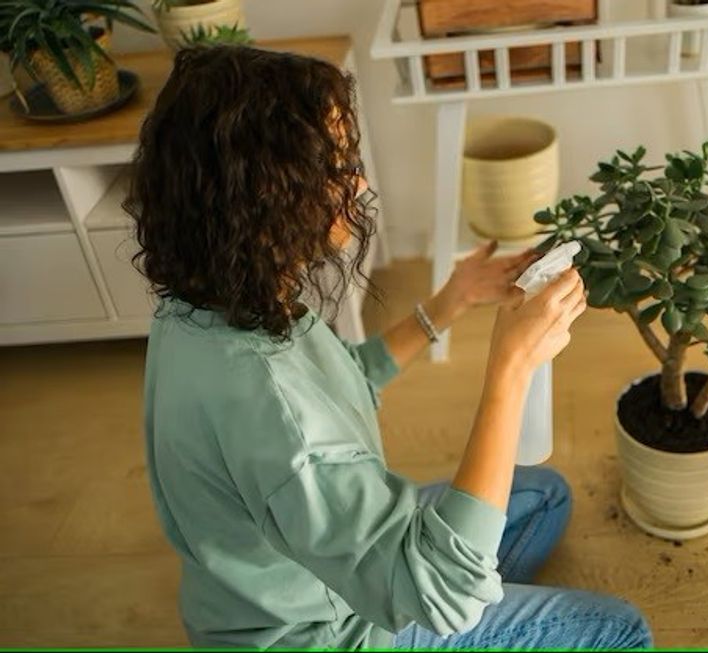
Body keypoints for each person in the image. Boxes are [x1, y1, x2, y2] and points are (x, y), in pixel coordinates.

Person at [127, 45, 653, 650]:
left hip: (275, 579)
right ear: (264, 193)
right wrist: (512, 366)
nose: (360, 183)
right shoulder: (273, 407)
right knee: (621, 631)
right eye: (338, 165)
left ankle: (456, 594)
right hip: (331, 635)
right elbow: (445, 592)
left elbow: (339, 383)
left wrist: (450, 302)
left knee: (543, 496)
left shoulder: (201, 306)